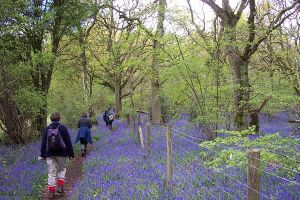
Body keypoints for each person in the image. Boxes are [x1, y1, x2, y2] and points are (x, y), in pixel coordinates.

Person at [39, 112, 74, 199]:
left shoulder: (47, 129)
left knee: (51, 172)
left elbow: (43, 143)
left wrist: (42, 155)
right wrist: (71, 154)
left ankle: (51, 192)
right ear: (59, 118)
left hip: (49, 154)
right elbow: (68, 141)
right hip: (62, 153)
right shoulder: (63, 128)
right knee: (62, 169)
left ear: (51, 119)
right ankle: (60, 188)